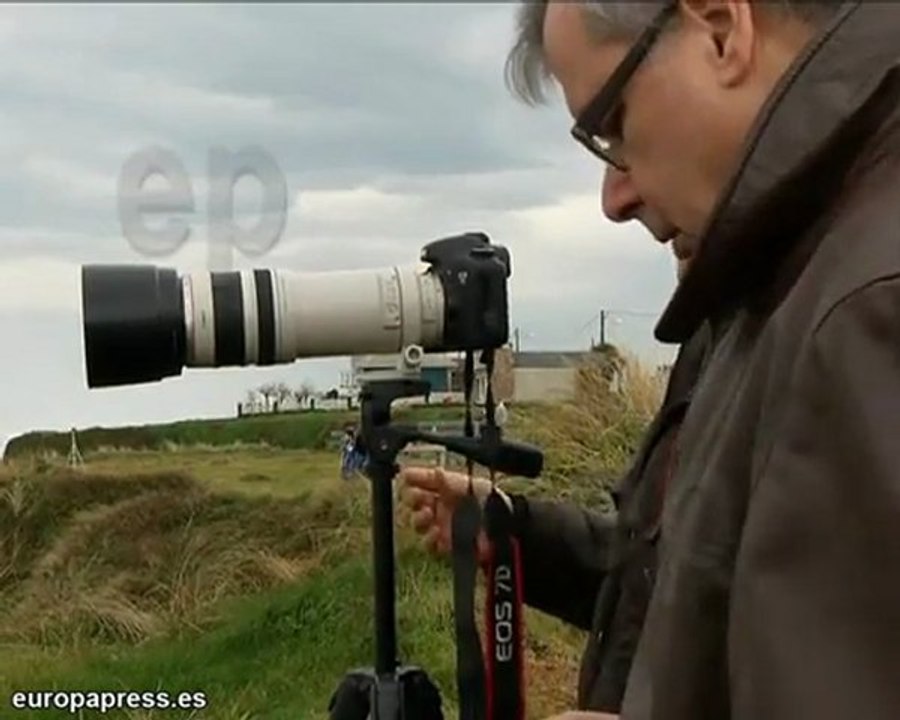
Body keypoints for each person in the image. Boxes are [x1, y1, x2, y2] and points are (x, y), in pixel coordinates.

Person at [494, 1, 900, 719]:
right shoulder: (769, 294)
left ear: (721, 30)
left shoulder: (865, 307)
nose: (613, 198)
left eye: (613, 128)